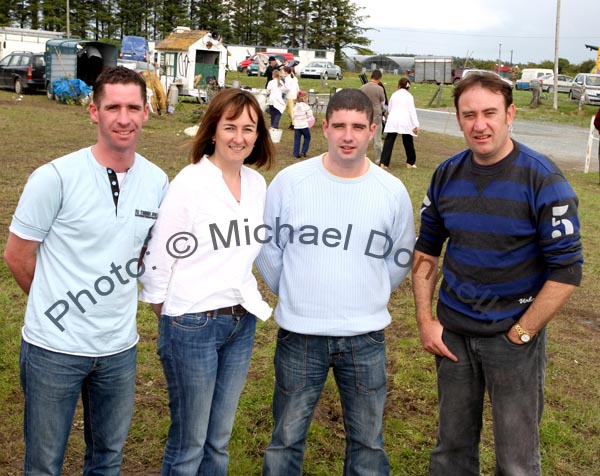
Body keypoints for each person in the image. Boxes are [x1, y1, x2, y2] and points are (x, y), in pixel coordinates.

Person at [412, 72, 583, 476]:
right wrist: (425, 321)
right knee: (451, 451)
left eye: (490, 113)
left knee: (517, 460)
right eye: (469, 114)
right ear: (458, 119)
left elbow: (567, 270)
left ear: (510, 114)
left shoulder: (544, 179)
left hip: (513, 339)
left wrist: (522, 333)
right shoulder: (446, 175)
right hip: (452, 337)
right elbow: (426, 252)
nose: (479, 124)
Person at [3, 66, 169, 475]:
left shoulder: (158, 181)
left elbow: (151, 257)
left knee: (108, 459)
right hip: (53, 350)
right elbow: (18, 256)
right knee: (44, 463)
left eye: (133, 107)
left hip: (119, 350)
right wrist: (55, 305)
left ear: (147, 112)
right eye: (113, 106)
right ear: (94, 111)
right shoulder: (54, 177)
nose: (124, 117)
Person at [257, 88, 416, 475]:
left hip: (365, 338)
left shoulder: (391, 191)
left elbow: (399, 258)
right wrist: (295, 290)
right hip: (300, 334)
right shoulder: (290, 182)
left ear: (373, 130)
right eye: (340, 125)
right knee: (286, 440)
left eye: (358, 127)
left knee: (367, 444)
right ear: (323, 126)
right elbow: (268, 248)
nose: (348, 136)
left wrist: (369, 292)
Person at [139, 88, 276, 476]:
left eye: (248, 128)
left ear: (258, 135)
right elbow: (161, 253)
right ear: (212, 130)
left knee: (218, 439)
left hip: (241, 319)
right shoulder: (191, 181)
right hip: (192, 322)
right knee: (190, 442)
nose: (239, 137)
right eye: (229, 126)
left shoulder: (255, 184)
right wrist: (168, 314)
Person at [380, 77, 419, 170]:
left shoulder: (394, 95)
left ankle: (384, 163)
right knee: (408, 141)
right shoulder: (409, 96)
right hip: (405, 121)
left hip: (393, 120)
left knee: (389, 141)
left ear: (399, 85)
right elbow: (412, 111)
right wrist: (416, 124)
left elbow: (389, 108)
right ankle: (410, 162)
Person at [360, 69, 386, 164]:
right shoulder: (379, 89)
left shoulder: (362, 87)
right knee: (377, 139)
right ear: (379, 78)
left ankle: (362, 156)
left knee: (363, 138)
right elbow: (383, 103)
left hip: (364, 116)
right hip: (376, 116)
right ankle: (379, 159)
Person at [291, 90, 313, 158]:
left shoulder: (295, 106)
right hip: (304, 125)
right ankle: (304, 151)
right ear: (304, 99)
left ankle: (296, 153)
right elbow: (310, 114)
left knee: (297, 139)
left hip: (297, 126)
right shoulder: (305, 106)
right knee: (307, 137)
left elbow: (293, 116)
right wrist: (308, 118)